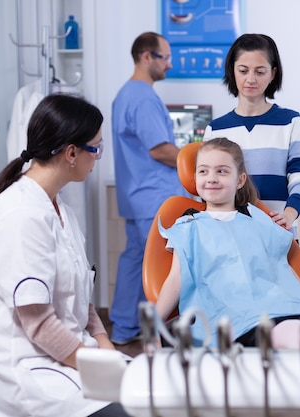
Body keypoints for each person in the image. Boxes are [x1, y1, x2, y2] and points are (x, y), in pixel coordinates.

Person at [154, 138, 300, 382]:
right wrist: (153, 324)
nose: (212, 178)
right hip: (234, 318)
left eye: (222, 171)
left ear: (240, 180)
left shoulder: (257, 219)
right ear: (194, 178)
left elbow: (280, 269)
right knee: (290, 332)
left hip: (282, 304)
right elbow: (175, 280)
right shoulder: (188, 226)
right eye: (203, 171)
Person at [0, 94, 129, 417]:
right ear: (71, 153)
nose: (98, 157)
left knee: (158, 391)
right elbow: (39, 326)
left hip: (68, 354)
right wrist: (99, 368)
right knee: (136, 408)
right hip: (29, 372)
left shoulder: (61, 210)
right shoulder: (20, 216)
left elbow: (81, 300)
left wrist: (106, 349)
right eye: (95, 148)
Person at [110, 31, 188, 345]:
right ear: (146, 56)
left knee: (134, 262)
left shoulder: (125, 94)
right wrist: (201, 161)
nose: (170, 65)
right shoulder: (142, 97)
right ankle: (161, 336)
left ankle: (124, 327)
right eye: (165, 57)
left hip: (137, 196)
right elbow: (159, 149)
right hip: (154, 197)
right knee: (162, 268)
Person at [203, 34, 300, 238]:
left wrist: (289, 214)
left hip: (278, 233)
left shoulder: (290, 122)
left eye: (260, 71)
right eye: (243, 71)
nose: (250, 79)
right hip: (230, 237)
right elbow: (209, 187)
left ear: (273, 74)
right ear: (232, 71)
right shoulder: (215, 130)